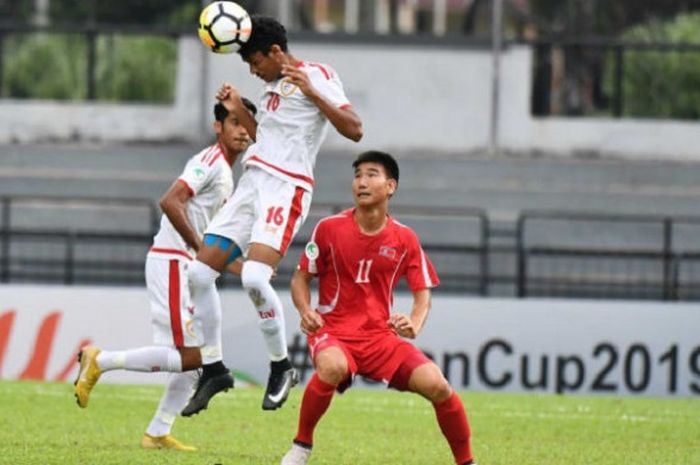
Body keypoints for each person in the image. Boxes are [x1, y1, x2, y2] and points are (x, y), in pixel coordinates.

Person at [183, 14, 362, 414]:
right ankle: (214, 368)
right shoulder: (270, 90)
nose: (252, 70)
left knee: (252, 276)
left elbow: (354, 128)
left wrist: (313, 92)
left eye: (255, 62)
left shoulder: (317, 74)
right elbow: (266, 136)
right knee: (197, 273)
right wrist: (236, 108)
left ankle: (281, 366)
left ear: (276, 52)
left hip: (287, 188)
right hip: (253, 183)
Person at [73, 99, 258, 451]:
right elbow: (170, 201)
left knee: (196, 360)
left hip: (189, 266)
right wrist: (199, 251)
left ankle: (157, 431)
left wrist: (245, 268)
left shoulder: (227, 174)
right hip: (173, 262)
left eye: (246, 124)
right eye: (234, 122)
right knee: (195, 357)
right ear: (218, 126)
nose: (242, 130)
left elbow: (210, 244)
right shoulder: (208, 162)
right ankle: (100, 360)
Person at [280, 151, 475, 465]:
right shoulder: (328, 228)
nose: (362, 182)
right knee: (332, 367)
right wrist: (305, 310)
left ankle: (467, 462)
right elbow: (300, 278)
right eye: (358, 175)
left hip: (380, 339)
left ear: (391, 186)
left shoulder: (405, 238)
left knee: (438, 385)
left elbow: (422, 294)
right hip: (334, 331)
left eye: (372, 174)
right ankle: (301, 448)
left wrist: (414, 323)